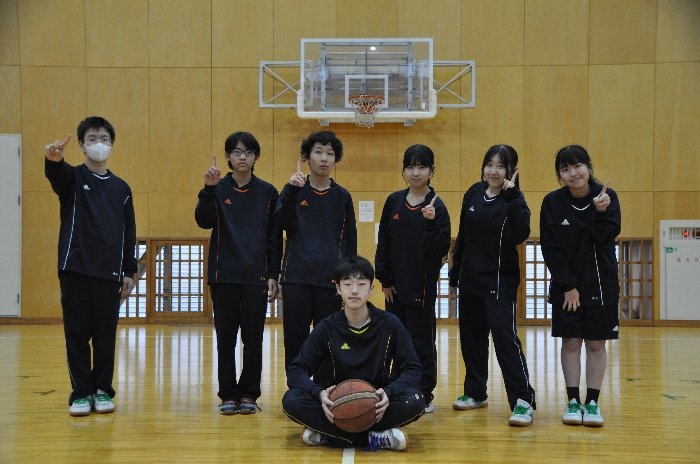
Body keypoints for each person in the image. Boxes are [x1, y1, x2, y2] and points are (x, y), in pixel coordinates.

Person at [282, 256, 425, 451]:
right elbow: (296, 370)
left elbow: (413, 368)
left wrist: (389, 392)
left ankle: (330, 435)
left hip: (376, 404)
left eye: (361, 284)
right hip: (334, 404)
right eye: (347, 284)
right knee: (291, 400)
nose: (355, 290)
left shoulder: (390, 324)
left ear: (371, 288)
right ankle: (374, 439)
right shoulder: (327, 327)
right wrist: (319, 393)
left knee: (416, 399)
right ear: (338, 289)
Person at [44, 116, 137, 417]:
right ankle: (81, 392)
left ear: (112, 144)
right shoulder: (72, 178)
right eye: (93, 139)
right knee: (77, 333)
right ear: (82, 145)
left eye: (104, 139)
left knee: (105, 336)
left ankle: (102, 390)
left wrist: (129, 271)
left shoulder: (122, 189)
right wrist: (53, 161)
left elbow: (129, 233)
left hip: (109, 274)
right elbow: (56, 176)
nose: (99, 144)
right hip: (75, 269)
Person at [195, 132, 282, 415]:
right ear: (228, 157)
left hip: (256, 277)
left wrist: (274, 273)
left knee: (253, 339)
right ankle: (228, 394)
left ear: (256, 157)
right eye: (236, 152)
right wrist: (208, 189)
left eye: (248, 152)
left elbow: (273, 237)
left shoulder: (268, 192)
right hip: (223, 276)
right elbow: (203, 221)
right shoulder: (217, 189)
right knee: (226, 339)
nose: (242, 157)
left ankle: (249, 394)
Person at [448, 144, 536, 426]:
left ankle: (523, 401)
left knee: (505, 341)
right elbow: (463, 234)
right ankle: (476, 392)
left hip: (499, 281)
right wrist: (455, 271)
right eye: (490, 164)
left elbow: (521, 233)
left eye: (500, 166)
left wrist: (513, 197)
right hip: (470, 280)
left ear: (511, 170)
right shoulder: (473, 193)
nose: (494, 171)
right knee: (472, 340)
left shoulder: (514, 200)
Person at [539, 145, 620, 427]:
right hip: (567, 288)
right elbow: (550, 248)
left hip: (601, 285)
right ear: (559, 175)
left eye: (577, 166)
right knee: (571, 341)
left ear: (588, 167)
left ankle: (593, 403)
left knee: (596, 344)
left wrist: (600, 213)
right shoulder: (552, 202)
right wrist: (568, 285)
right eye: (565, 169)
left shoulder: (607, 197)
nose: (573, 173)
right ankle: (573, 401)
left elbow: (605, 237)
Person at [275, 130, 357, 382]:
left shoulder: (342, 196)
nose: (324, 158)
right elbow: (280, 223)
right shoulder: (294, 190)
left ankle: (324, 390)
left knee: (328, 339)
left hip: (329, 282)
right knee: (295, 339)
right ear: (307, 157)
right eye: (318, 152)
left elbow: (350, 241)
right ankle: (297, 388)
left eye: (330, 154)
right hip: (296, 278)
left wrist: (349, 281)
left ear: (335, 159)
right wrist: (291, 191)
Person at [374, 144, 451, 413]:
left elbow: (440, 250)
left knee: (421, 341)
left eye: (422, 167)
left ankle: (424, 392)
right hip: (394, 288)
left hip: (422, 287)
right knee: (394, 339)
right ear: (404, 170)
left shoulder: (437, 206)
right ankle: (397, 388)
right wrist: (385, 280)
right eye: (410, 167)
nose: (416, 173)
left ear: (431, 171)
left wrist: (430, 223)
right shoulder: (394, 201)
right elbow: (384, 242)